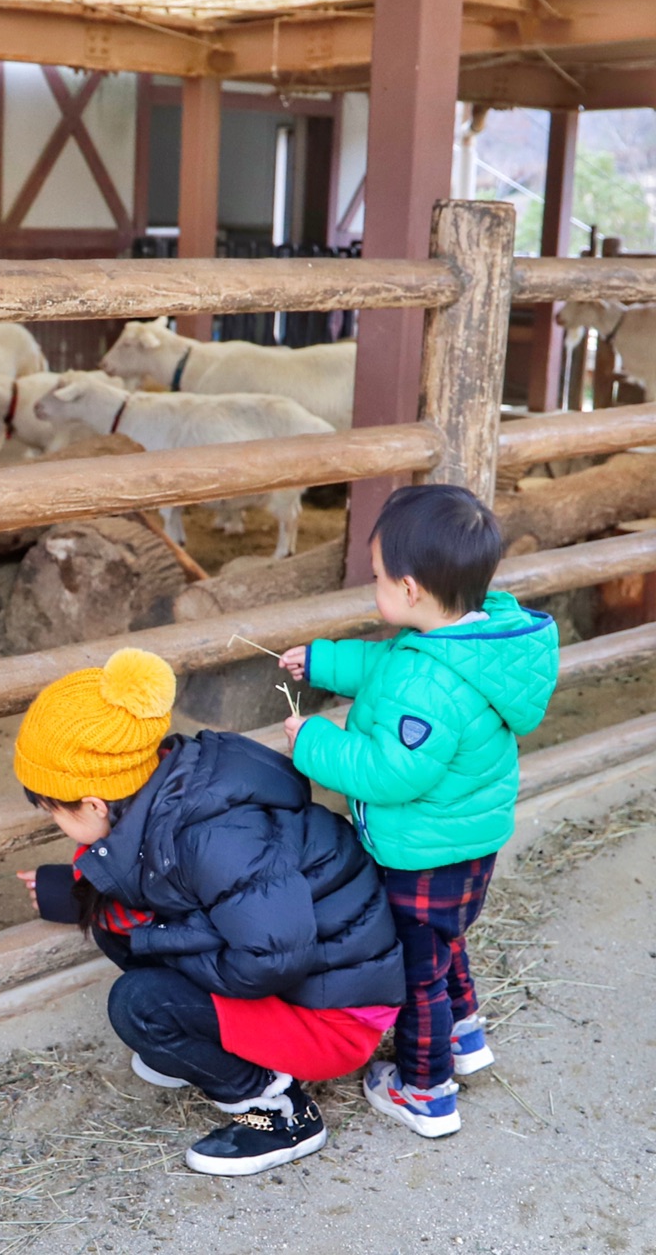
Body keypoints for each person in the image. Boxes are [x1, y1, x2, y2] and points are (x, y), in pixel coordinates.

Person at [16, 647, 404, 1176]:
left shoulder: (214, 836)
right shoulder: (178, 787)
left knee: (139, 1004)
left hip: (335, 1016)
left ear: (93, 805)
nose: (52, 822)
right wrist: (83, 895)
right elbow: (164, 891)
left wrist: (156, 942)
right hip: (306, 976)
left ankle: (278, 1112)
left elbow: (272, 957)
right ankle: (202, 1044)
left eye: (52, 811)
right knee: (123, 931)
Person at [280, 483, 559, 1139]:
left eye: (376, 578)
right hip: (464, 846)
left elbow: (388, 772)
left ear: (409, 590)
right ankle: (465, 1035)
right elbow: (385, 664)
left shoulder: (427, 683)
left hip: (422, 854)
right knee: (444, 946)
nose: (372, 587)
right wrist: (321, 661)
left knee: (417, 972)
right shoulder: (458, 641)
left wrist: (312, 741)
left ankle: (425, 1090)